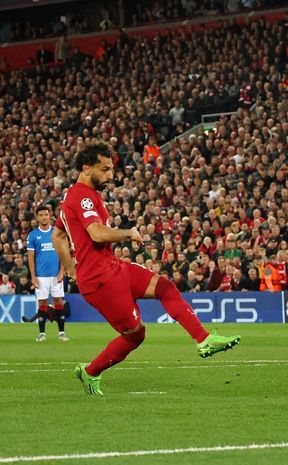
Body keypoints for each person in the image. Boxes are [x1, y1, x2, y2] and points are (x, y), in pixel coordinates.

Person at [52, 141, 241, 396]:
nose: (111, 175)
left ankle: (203, 339)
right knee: (135, 335)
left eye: (111, 169)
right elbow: (96, 234)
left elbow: (58, 236)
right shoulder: (81, 196)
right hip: (100, 280)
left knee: (165, 287)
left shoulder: (78, 197)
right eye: (105, 169)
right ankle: (90, 371)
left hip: (113, 267)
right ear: (86, 168)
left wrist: (71, 269)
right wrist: (127, 233)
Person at [27, 205, 69, 342]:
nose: (44, 217)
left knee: (58, 301)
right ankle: (42, 334)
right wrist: (33, 276)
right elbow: (31, 257)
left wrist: (62, 271)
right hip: (40, 276)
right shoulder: (33, 235)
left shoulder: (57, 233)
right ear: (37, 217)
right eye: (41, 215)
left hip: (56, 274)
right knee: (42, 302)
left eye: (46, 214)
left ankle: (62, 333)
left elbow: (63, 253)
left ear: (50, 215)